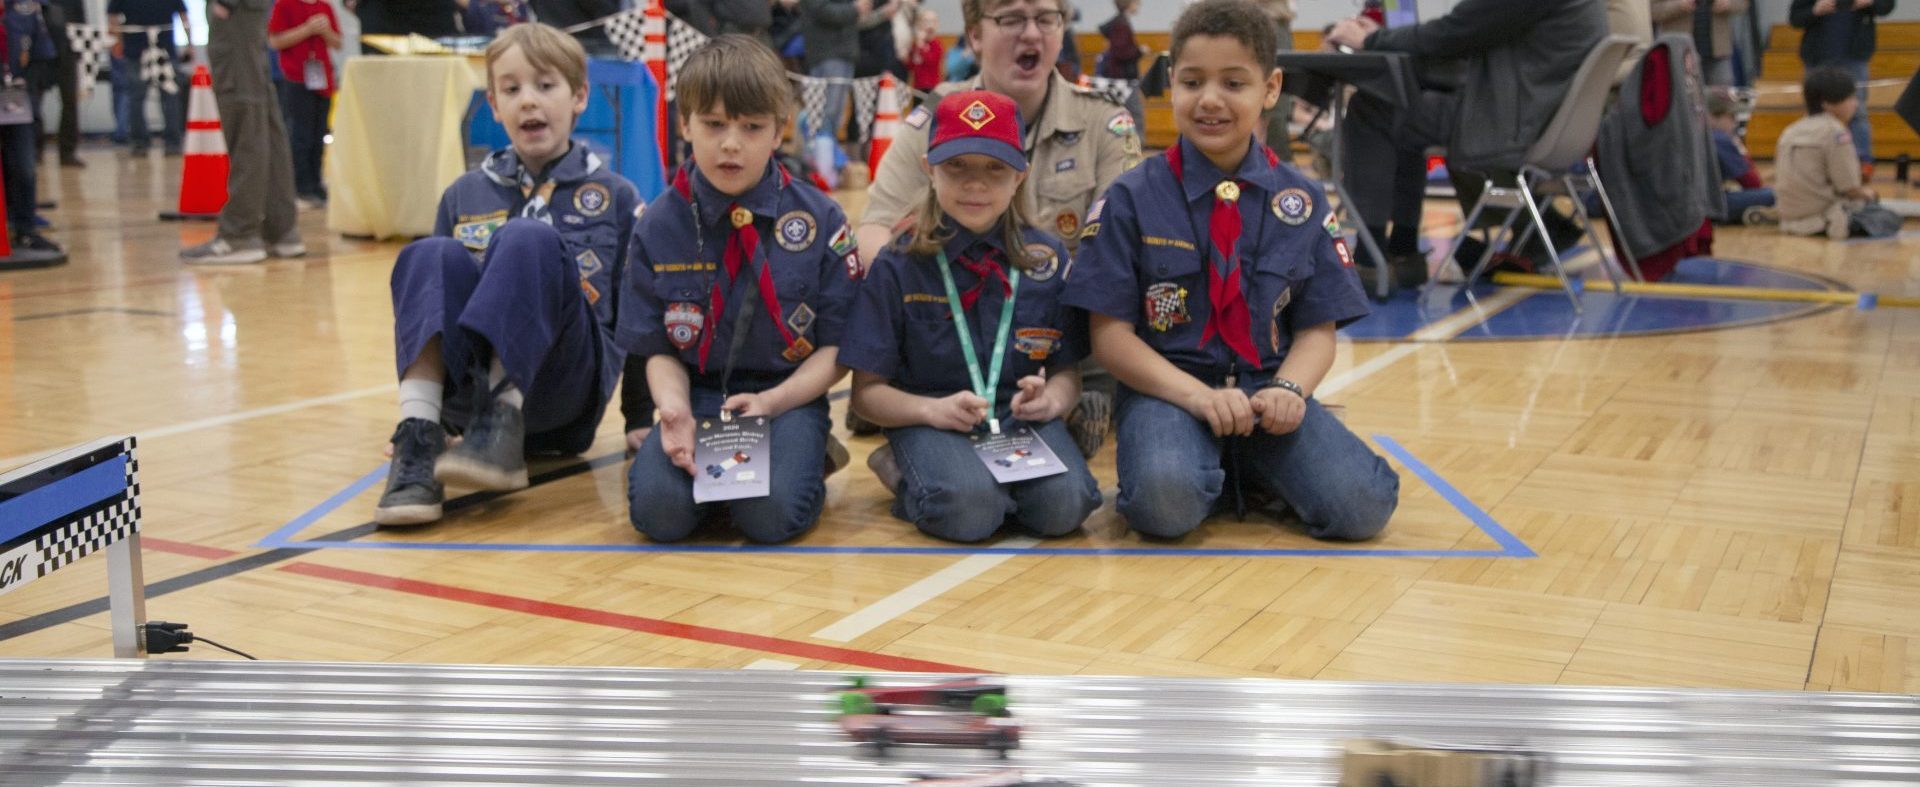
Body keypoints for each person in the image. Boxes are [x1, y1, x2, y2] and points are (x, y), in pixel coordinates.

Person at [1064, 0, 1400, 542]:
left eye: (1234, 83)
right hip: (1170, 391)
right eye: (1193, 82)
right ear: (1171, 83)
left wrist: (1291, 387)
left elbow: (1318, 328)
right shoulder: (1131, 197)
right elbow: (1109, 338)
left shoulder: (1302, 198)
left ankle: (1243, 463)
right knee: (1163, 507)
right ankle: (1220, 467)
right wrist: (1197, 398)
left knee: (1361, 508)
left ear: (1270, 89)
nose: (1210, 100)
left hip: (1268, 392)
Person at [373, 23, 640, 526]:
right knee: (427, 254)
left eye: (545, 86)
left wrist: (644, 417)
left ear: (579, 96)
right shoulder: (463, 195)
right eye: (511, 90)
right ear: (493, 105)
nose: (528, 102)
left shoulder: (617, 197)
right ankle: (418, 434)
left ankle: (506, 413)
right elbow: (434, 307)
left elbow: (639, 314)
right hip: (465, 415)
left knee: (527, 237)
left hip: (564, 395)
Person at [620, 35, 860, 545]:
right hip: (698, 392)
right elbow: (657, 348)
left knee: (770, 521)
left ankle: (806, 456)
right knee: (659, 517)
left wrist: (776, 402)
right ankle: (726, 481)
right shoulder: (657, 224)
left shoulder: (821, 220)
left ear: (778, 132)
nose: (732, 143)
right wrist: (673, 410)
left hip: (788, 396)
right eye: (713, 124)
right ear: (684, 124)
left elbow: (838, 348)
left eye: (752, 127)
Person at [841, 90, 1101, 543]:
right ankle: (906, 471)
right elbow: (866, 396)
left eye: (994, 169)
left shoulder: (1047, 259)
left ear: (1020, 175)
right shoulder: (898, 263)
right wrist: (930, 410)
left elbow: (1067, 373)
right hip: (927, 417)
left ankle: (984, 484)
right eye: (956, 167)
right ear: (929, 169)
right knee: (970, 513)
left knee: (1067, 508)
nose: (975, 185)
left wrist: (1052, 402)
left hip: (1016, 420)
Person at [1325, 0, 1607, 292]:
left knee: (1373, 108)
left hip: (1512, 121)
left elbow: (1454, 33)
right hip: (1541, 116)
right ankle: (1403, 251)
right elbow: (1467, 31)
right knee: (1401, 102)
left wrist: (1371, 39)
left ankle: (1370, 262)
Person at [178, 0, 303, 264]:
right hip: (249, 20)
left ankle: (240, 234)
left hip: (236, 20)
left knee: (246, 124)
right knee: (264, 123)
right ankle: (281, 229)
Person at [1790, 0, 1896, 172]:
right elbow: (1795, 18)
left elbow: (1886, 7)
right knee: (1814, 112)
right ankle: (1813, 161)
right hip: (1816, 58)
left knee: (1857, 110)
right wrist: (1815, 10)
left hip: (1854, 56)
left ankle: (1863, 161)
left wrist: (1869, 2)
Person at [1776, 66, 1881, 239]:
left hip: (1787, 216)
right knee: (1885, 216)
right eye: (1850, 98)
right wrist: (1871, 194)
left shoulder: (1791, 130)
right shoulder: (1836, 132)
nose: (1855, 104)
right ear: (1828, 103)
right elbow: (1849, 187)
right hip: (1822, 216)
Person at [268, 0, 341, 208]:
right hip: (295, 79)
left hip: (322, 78)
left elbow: (337, 42)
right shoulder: (285, 5)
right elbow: (275, 41)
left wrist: (325, 30)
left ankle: (316, 183)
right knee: (300, 134)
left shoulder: (325, 7)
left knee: (319, 134)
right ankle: (301, 187)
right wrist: (307, 29)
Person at [2, 0, 60, 252]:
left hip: (17, 102)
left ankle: (24, 228)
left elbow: (41, 52)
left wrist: (28, 87)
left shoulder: (25, 7)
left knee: (24, 167)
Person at [107, 0, 189, 156]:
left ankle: (141, 143)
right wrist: (189, 43)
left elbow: (113, 17)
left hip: (140, 50)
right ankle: (170, 143)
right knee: (167, 96)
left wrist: (117, 42)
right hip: (159, 50)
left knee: (139, 98)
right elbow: (183, 16)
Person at [799, 0, 869, 142]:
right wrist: (854, 8)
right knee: (827, 111)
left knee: (833, 111)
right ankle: (821, 154)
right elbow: (823, 11)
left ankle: (826, 151)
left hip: (839, 53)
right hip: (829, 54)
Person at [1705, 89, 1775, 224]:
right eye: (1731, 116)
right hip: (1710, 207)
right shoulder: (1720, 139)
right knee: (1777, 195)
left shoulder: (1698, 133)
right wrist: (1740, 148)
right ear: (1712, 116)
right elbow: (1753, 183)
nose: (1735, 123)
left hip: (1693, 206)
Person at [1652, 0, 1746, 86]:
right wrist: (1678, 5)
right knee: (1687, 101)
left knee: (1723, 101)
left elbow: (1743, 4)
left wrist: (1729, 4)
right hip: (1682, 56)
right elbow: (1652, 11)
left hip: (1719, 54)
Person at [40, 0, 85, 167]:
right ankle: (36, 151)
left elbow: (81, 23)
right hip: (40, 53)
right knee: (34, 103)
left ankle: (67, 152)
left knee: (70, 101)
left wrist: (80, 52)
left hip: (67, 51)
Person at [907, 7, 943, 94]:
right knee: (918, 107)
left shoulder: (936, 44)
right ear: (919, 25)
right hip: (918, 87)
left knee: (931, 107)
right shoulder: (916, 44)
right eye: (926, 21)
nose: (929, 25)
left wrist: (921, 46)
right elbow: (911, 66)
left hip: (933, 88)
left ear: (937, 25)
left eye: (933, 21)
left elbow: (931, 61)